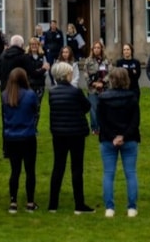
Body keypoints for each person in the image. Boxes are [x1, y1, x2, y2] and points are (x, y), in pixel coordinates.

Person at [47, 61, 94, 214]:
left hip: (59, 133)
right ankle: (79, 204)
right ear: (66, 75)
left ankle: (53, 204)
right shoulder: (75, 92)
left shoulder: (52, 92)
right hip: (76, 133)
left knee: (58, 167)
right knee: (76, 168)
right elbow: (87, 106)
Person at [97, 67, 141, 218]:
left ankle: (109, 208)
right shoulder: (132, 97)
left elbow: (101, 121)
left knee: (109, 174)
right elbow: (135, 121)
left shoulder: (103, 98)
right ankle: (132, 208)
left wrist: (113, 136)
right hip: (129, 139)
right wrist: (124, 136)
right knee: (131, 173)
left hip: (108, 140)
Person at [1, 67, 40, 213]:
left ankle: (13, 201)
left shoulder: (5, 95)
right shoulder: (30, 95)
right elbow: (35, 110)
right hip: (27, 135)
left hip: (12, 136)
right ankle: (30, 202)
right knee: (30, 170)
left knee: (15, 170)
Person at [85, 41, 112, 134]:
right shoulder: (88, 60)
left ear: (101, 49)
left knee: (105, 108)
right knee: (93, 109)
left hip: (105, 88)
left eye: (98, 48)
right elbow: (85, 73)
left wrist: (103, 82)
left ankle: (104, 127)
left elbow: (110, 72)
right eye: (95, 48)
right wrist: (93, 83)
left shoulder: (106, 60)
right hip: (92, 89)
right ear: (92, 49)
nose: (96, 49)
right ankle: (95, 128)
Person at [24, 37, 50, 107]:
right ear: (29, 45)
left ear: (38, 45)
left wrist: (39, 71)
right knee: (29, 105)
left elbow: (46, 71)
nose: (34, 46)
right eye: (32, 44)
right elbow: (29, 72)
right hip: (29, 85)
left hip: (40, 85)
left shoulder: (42, 57)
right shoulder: (26, 57)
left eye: (36, 44)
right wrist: (40, 70)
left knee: (37, 105)